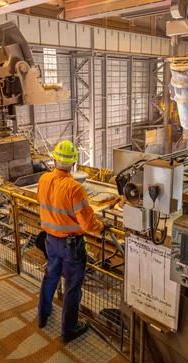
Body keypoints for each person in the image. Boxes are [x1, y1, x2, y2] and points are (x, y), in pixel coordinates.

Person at [36, 140, 107, 343]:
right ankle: (69, 330)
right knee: (72, 286)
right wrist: (101, 227)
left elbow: (43, 203)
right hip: (71, 246)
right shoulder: (75, 188)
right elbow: (87, 223)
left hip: (50, 241)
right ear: (73, 163)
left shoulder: (44, 179)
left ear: (55, 159)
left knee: (50, 277)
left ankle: (42, 315)